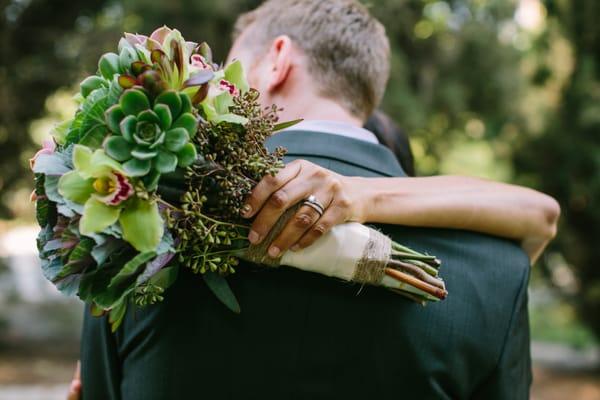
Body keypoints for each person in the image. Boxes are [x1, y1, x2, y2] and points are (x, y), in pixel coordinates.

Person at [77, 1, 559, 399]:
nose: (213, 95)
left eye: (226, 75)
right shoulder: (498, 269)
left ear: (277, 59)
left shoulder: (139, 231)